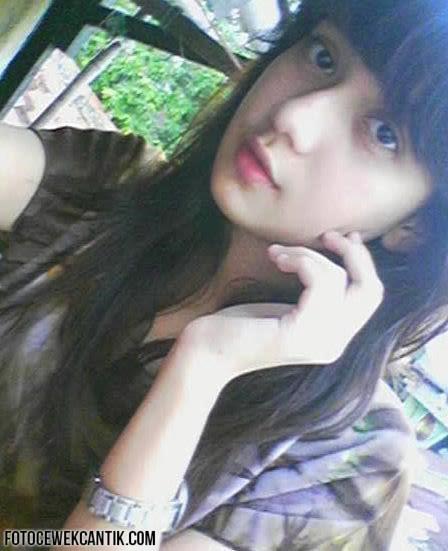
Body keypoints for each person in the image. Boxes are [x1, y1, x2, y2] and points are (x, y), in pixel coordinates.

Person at [0, 0, 446, 548]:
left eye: (384, 134)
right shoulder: (110, 189)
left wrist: (202, 368)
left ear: (416, 227)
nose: (294, 118)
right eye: (323, 57)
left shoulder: (348, 458)